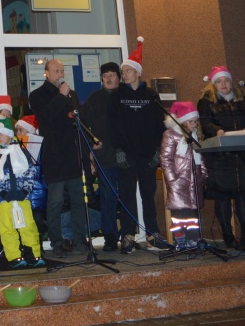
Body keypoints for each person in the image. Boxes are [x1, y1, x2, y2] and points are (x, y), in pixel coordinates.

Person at [111, 38, 168, 253]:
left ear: (137, 73)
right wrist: (118, 151)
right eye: (123, 71)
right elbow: (113, 125)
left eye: (127, 71)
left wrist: (157, 152)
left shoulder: (151, 95)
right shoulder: (117, 95)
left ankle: (153, 234)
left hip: (147, 154)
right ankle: (128, 235)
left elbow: (159, 125)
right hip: (126, 153)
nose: (124, 75)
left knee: (148, 195)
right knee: (127, 196)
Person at [28, 58, 88, 259]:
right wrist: (61, 96)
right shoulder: (37, 95)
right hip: (54, 155)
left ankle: (79, 240)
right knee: (55, 202)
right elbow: (46, 116)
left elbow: (76, 121)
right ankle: (56, 242)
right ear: (46, 73)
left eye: (62, 71)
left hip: (72, 154)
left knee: (78, 200)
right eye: (56, 71)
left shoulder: (71, 94)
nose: (60, 74)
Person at [197, 65, 245, 249]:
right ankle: (228, 237)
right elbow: (205, 123)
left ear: (231, 82)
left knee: (244, 195)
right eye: (219, 81)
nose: (223, 84)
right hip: (220, 157)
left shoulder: (243, 100)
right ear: (213, 85)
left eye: (226, 81)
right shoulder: (206, 102)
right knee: (222, 195)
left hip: (243, 156)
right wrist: (217, 130)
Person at [0, 118, 46, 269]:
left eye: (1, 134)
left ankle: (33, 254)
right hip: (4, 200)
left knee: (28, 226)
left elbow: (30, 172)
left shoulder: (22, 152)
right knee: (7, 228)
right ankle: (14, 256)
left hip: (22, 197)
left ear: (9, 134)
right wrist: (2, 192)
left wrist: (25, 190)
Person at [79, 62, 122, 251]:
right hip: (104, 156)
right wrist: (91, 147)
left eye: (112, 75)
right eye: (105, 76)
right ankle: (110, 236)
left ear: (119, 77)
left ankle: (129, 234)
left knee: (128, 197)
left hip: (127, 156)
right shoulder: (94, 98)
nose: (109, 79)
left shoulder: (125, 96)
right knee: (107, 197)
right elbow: (83, 126)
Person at [160, 102, 207, 250]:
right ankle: (180, 239)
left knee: (193, 213)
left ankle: (193, 239)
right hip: (178, 181)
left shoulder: (195, 135)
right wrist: (172, 179)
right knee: (179, 213)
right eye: (191, 122)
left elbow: (200, 156)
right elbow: (166, 159)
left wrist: (203, 173)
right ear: (182, 121)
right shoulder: (171, 135)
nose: (194, 125)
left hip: (194, 179)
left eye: (196, 122)